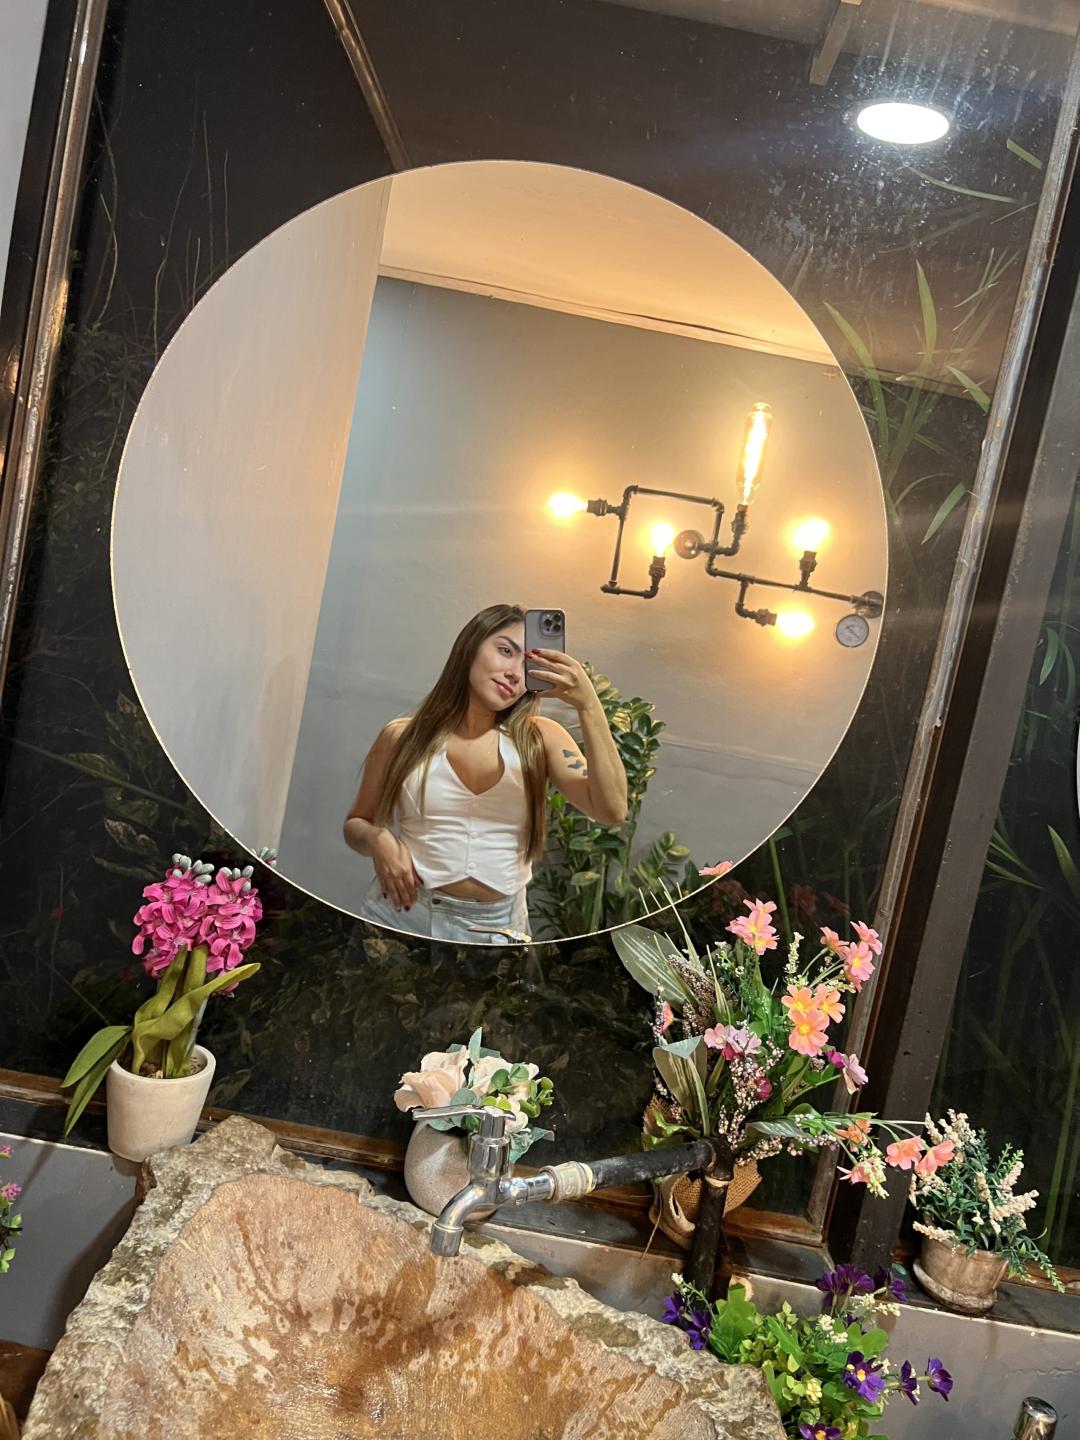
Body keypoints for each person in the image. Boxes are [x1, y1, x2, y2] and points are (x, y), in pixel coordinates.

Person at [344, 603, 627, 944]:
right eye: (506, 651)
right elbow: (357, 823)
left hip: (496, 931)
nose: (514, 673)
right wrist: (379, 841)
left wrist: (588, 705)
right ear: (471, 646)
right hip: (401, 915)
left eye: (528, 665)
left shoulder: (540, 739)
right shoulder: (401, 737)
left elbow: (612, 810)